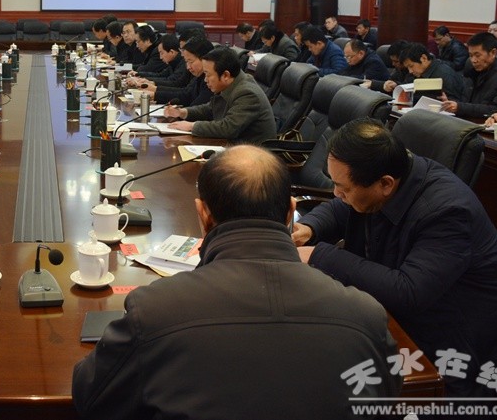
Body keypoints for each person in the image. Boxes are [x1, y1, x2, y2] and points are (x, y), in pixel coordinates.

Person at [73, 145, 400, 420]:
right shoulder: (366, 317)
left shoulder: (153, 312)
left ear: (203, 214)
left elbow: (90, 396)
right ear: (290, 213)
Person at [293, 119, 497, 396]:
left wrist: (320, 255)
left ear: (386, 184)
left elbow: (408, 292)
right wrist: (309, 228)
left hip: (461, 345)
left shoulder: (448, 212)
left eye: (343, 187)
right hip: (412, 318)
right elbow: (343, 207)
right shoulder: (389, 174)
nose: (336, 193)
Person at [163, 47, 276, 143]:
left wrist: (192, 126)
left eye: (208, 75)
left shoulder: (247, 93)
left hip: (253, 155)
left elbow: (228, 128)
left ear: (225, 75)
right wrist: (183, 112)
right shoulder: (232, 83)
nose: (205, 80)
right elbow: (210, 108)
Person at [440, 32, 497, 116]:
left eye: (477, 55)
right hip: (463, 119)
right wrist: (450, 102)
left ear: (493, 53)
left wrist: (460, 107)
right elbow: (463, 101)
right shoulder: (471, 72)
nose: (473, 60)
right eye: (471, 55)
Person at [146, 35, 214, 107]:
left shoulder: (209, 80)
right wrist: (155, 94)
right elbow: (186, 93)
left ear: (204, 59)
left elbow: (197, 105)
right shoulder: (199, 75)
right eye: (186, 62)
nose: (188, 67)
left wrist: (184, 112)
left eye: (191, 62)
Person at [400, 43, 466, 101]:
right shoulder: (415, 74)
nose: (410, 71)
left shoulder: (445, 74)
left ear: (424, 58)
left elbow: (455, 103)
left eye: (411, 66)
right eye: (407, 67)